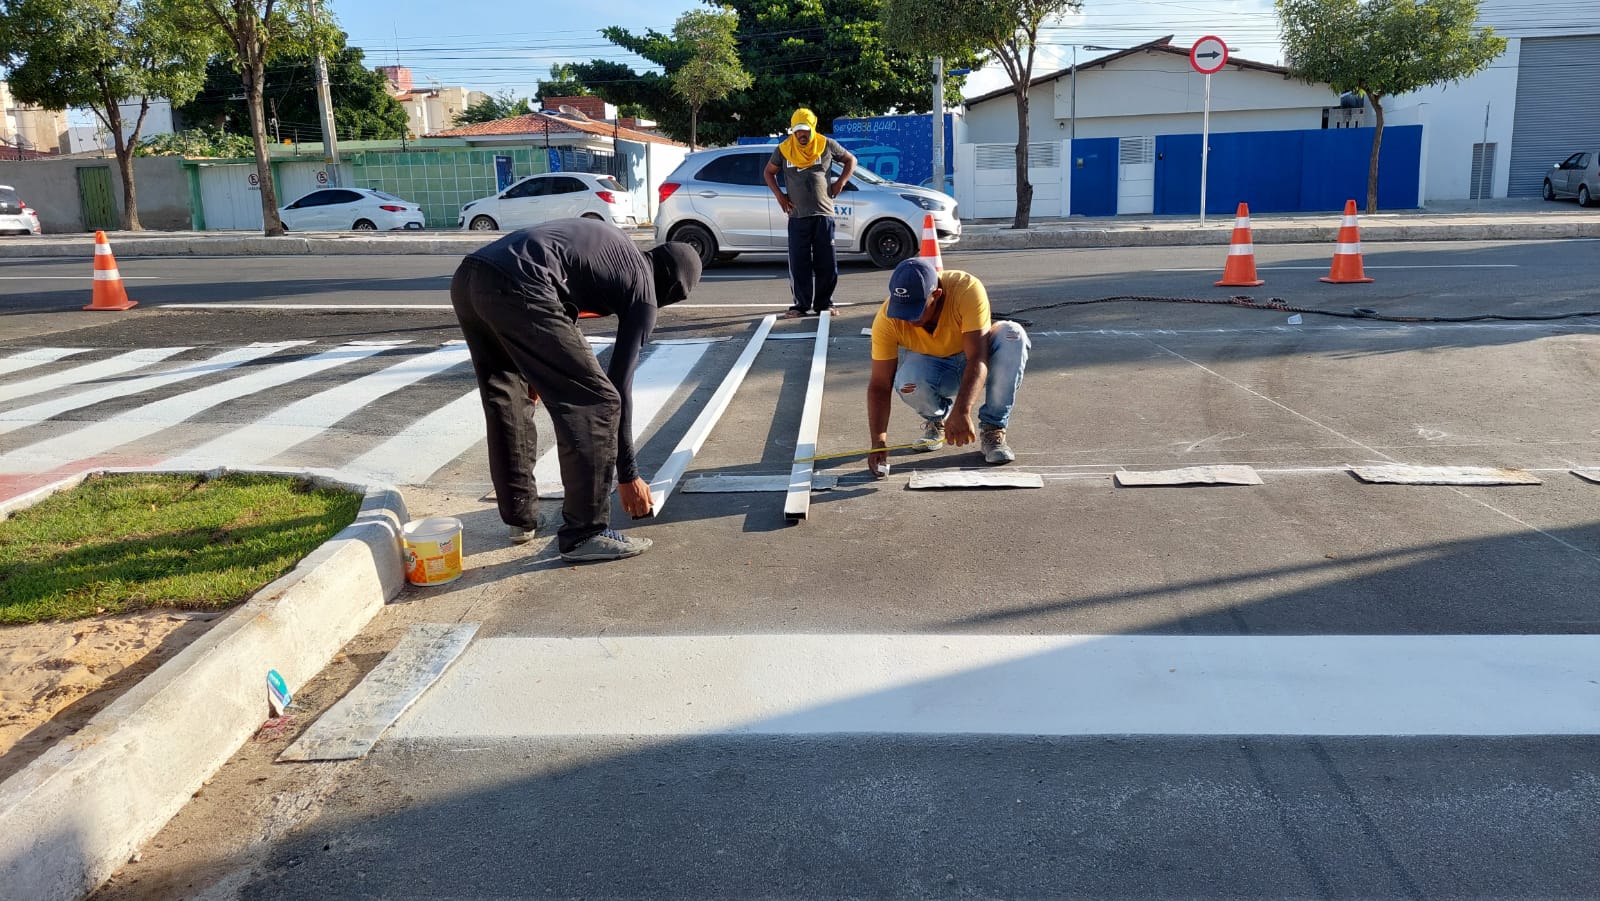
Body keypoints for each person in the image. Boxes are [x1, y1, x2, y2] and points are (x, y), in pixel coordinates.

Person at [449, 218, 701, 563]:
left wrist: (541, 370)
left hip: (471, 275)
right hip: (520, 282)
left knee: (507, 394)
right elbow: (618, 388)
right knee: (598, 402)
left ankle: (520, 518)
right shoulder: (644, 292)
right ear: (674, 287)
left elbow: (562, 305)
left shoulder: (619, 252)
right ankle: (585, 533)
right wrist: (628, 476)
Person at [865, 258, 1030, 474]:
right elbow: (880, 385)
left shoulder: (966, 289)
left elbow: (978, 358)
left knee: (1012, 334)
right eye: (902, 310)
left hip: (975, 360)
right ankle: (938, 419)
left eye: (915, 310)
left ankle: (993, 428)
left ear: (936, 296)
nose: (906, 319)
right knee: (907, 382)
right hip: (936, 366)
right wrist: (878, 441)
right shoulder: (887, 319)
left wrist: (963, 410)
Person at [763, 107, 855, 319]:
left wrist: (840, 182)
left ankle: (825, 304)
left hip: (823, 214)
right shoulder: (784, 149)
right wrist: (780, 196)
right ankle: (800, 306)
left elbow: (851, 160)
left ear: (812, 128)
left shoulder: (825, 144)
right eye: (797, 131)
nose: (801, 135)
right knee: (799, 263)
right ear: (793, 131)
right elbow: (768, 172)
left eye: (805, 130)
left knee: (826, 262)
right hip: (797, 216)